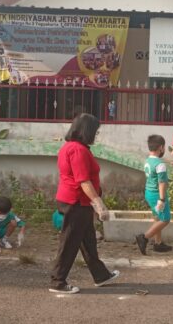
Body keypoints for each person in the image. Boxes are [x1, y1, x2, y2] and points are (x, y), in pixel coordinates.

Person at [51, 113, 120, 294]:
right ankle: (58, 281)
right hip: (76, 202)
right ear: (87, 131)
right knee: (69, 243)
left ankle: (101, 275)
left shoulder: (72, 147)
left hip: (78, 201)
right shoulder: (78, 150)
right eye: (95, 132)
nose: (96, 135)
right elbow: (83, 180)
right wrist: (99, 203)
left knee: (88, 240)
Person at [135, 135, 172, 255]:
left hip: (149, 193)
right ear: (161, 147)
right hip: (157, 195)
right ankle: (144, 237)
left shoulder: (148, 161)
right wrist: (162, 199)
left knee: (157, 217)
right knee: (165, 219)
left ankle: (158, 243)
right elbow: (161, 182)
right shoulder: (160, 164)